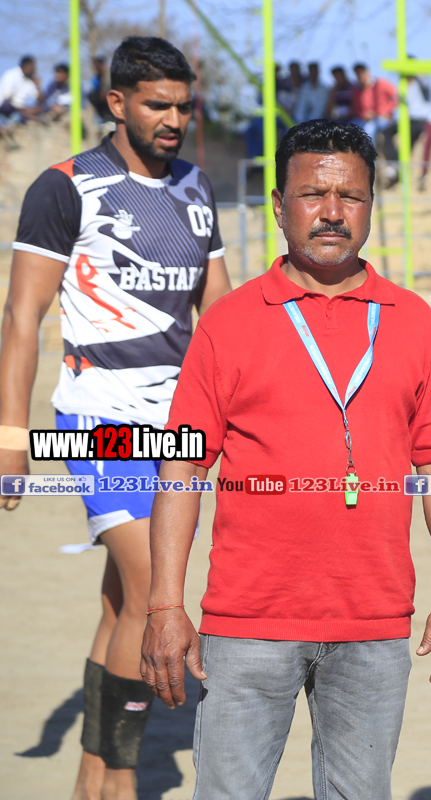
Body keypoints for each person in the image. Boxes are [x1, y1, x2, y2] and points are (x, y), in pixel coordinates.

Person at [139, 119, 431, 799]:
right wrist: (165, 603)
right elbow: (183, 467)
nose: (331, 212)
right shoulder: (230, 322)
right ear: (278, 204)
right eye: (311, 194)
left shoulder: (411, 320)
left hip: (373, 623)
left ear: (371, 205)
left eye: (350, 196)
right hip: (248, 622)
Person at [0, 36, 230, 800]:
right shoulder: (65, 186)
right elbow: (22, 316)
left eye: (183, 107)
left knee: (121, 606)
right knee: (153, 590)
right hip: (97, 416)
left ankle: (90, 779)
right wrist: (10, 438)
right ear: (117, 103)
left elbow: (218, 311)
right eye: (158, 105)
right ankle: (125, 780)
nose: (174, 120)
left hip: (177, 427)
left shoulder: (197, 186)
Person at [351, 62, 399, 145]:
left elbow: (397, 97)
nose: (360, 76)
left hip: (382, 118)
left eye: (361, 73)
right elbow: (356, 107)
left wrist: (387, 111)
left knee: (369, 129)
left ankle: (369, 152)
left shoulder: (381, 83)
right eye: (357, 74)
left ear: (367, 72)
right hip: (364, 119)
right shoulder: (357, 90)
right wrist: (363, 114)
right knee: (349, 128)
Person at [0, 55, 41, 129]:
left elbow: (40, 100)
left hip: (21, 110)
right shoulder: (11, 75)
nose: (34, 69)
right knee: (10, 110)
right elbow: (6, 100)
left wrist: (38, 86)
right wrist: (25, 111)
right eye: (33, 67)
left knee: (41, 109)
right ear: (25, 66)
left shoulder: (30, 81)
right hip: (7, 108)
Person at [88, 53, 115, 126]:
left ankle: (111, 117)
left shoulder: (108, 73)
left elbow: (106, 87)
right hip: (101, 98)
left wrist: (103, 92)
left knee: (106, 96)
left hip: (111, 95)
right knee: (92, 96)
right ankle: (104, 117)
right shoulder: (96, 77)